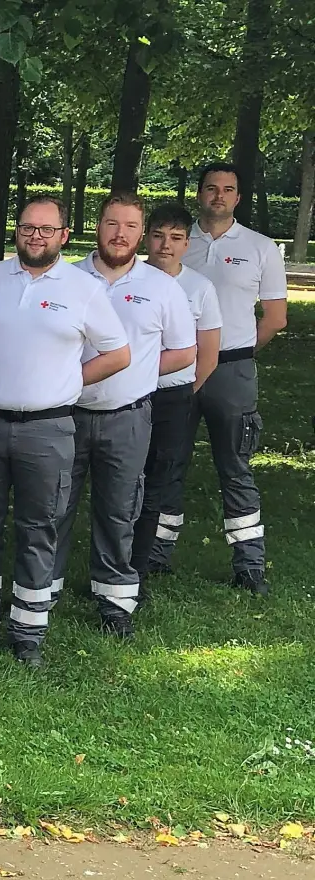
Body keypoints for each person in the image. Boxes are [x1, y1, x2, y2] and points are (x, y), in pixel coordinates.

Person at [0, 196, 129, 666]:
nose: (36, 236)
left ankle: (28, 631)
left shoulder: (84, 288)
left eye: (47, 230)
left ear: (64, 236)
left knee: (39, 526)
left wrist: (72, 383)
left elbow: (118, 353)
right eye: (28, 228)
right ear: (18, 231)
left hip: (48, 427)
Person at [55, 193, 195, 638]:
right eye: (112, 224)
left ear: (141, 233)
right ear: (97, 226)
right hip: (65, 414)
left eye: (131, 226)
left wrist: (132, 370)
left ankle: (114, 601)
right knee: (54, 506)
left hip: (128, 417)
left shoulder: (161, 287)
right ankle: (42, 590)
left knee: (119, 511)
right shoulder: (66, 277)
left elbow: (185, 352)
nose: (120, 234)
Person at [183, 163, 288, 594]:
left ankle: (249, 564)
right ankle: (153, 556)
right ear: (199, 194)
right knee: (165, 462)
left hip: (232, 371)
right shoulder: (175, 242)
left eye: (228, 189)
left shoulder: (261, 248)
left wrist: (236, 353)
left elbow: (276, 318)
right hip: (177, 371)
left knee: (236, 466)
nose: (219, 196)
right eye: (211, 188)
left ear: (238, 198)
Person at [131, 203, 222, 578]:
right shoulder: (127, 279)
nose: (165, 245)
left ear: (187, 243)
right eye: (157, 235)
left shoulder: (200, 288)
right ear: (145, 238)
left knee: (157, 481)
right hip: (126, 398)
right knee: (122, 480)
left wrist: (184, 391)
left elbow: (208, 354)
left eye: (176, 238)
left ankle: (139, 564)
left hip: (172, 398)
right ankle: (111, 558)